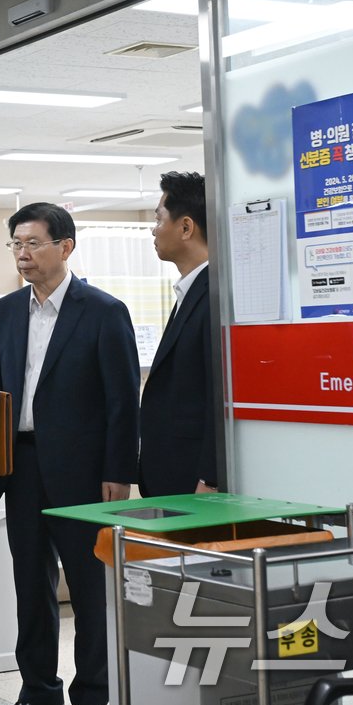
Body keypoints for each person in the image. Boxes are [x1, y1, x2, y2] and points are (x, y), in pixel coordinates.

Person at [0, 202, 140, 705]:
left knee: (90, 593)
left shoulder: (103, 310)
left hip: (84, 474)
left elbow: (122, 400)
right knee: (30, 588)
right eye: (16, 244)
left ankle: (92, 698)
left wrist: (119, 472)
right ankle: (38, 694)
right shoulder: (6, 311)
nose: (22, 255)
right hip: (21, 467)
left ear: (65, 246)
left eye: (32, 243)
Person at [139, 171, 218, 496]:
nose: (153, 230)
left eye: (159, 219)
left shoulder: (215, 295)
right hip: (173, 473)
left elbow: (218, 394)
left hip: (196, 480)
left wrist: (211, 477)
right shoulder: (190, 291)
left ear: (186, 227)